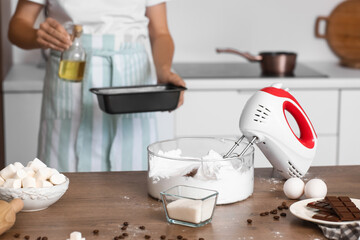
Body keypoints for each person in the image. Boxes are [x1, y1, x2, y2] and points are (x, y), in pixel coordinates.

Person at [8, 0, 185, 172]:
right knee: (61, 184)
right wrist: (36, 36)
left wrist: (163, 71)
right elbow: (17, 26)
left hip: (132, 79)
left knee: (133, 184)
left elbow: (160, 32)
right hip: (71, 72)